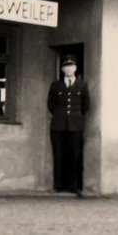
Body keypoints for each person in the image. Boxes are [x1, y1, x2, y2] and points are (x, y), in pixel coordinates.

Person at [47, 54, 89, 195]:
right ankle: (58, 185)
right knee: (58, 155)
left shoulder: (82, 85)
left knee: (74, 155)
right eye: (66, 66)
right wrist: (61, 116)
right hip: (58, 125)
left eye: (71, 66)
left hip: (75, 126)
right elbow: (51, 105)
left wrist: (75, 118)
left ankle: (73, 186)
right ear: (62, 69)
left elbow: (86, 106)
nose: (69, 69)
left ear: (75, 68)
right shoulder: (56, 85)